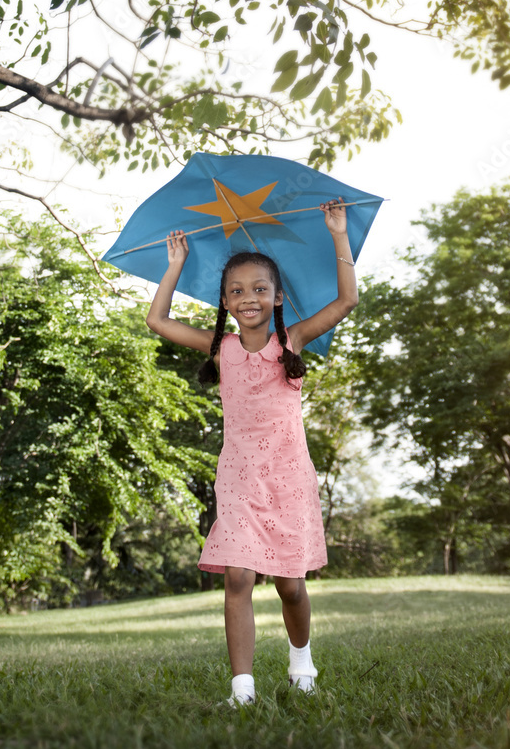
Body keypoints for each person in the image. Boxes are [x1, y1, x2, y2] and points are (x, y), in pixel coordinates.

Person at [146, 199, 357, 704]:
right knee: (238, 575)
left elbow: (347, 299)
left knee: (289, 585)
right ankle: (242, 691)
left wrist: (338, 234)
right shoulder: (221, 348)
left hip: (288, 478)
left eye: (259, 289)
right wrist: (174, 266)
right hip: (239, 478)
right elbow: (157, 320)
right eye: (236, 291)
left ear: (277, 295)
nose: (248, 298)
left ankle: (301, 658)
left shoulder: (293, 341)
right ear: (224, 300)